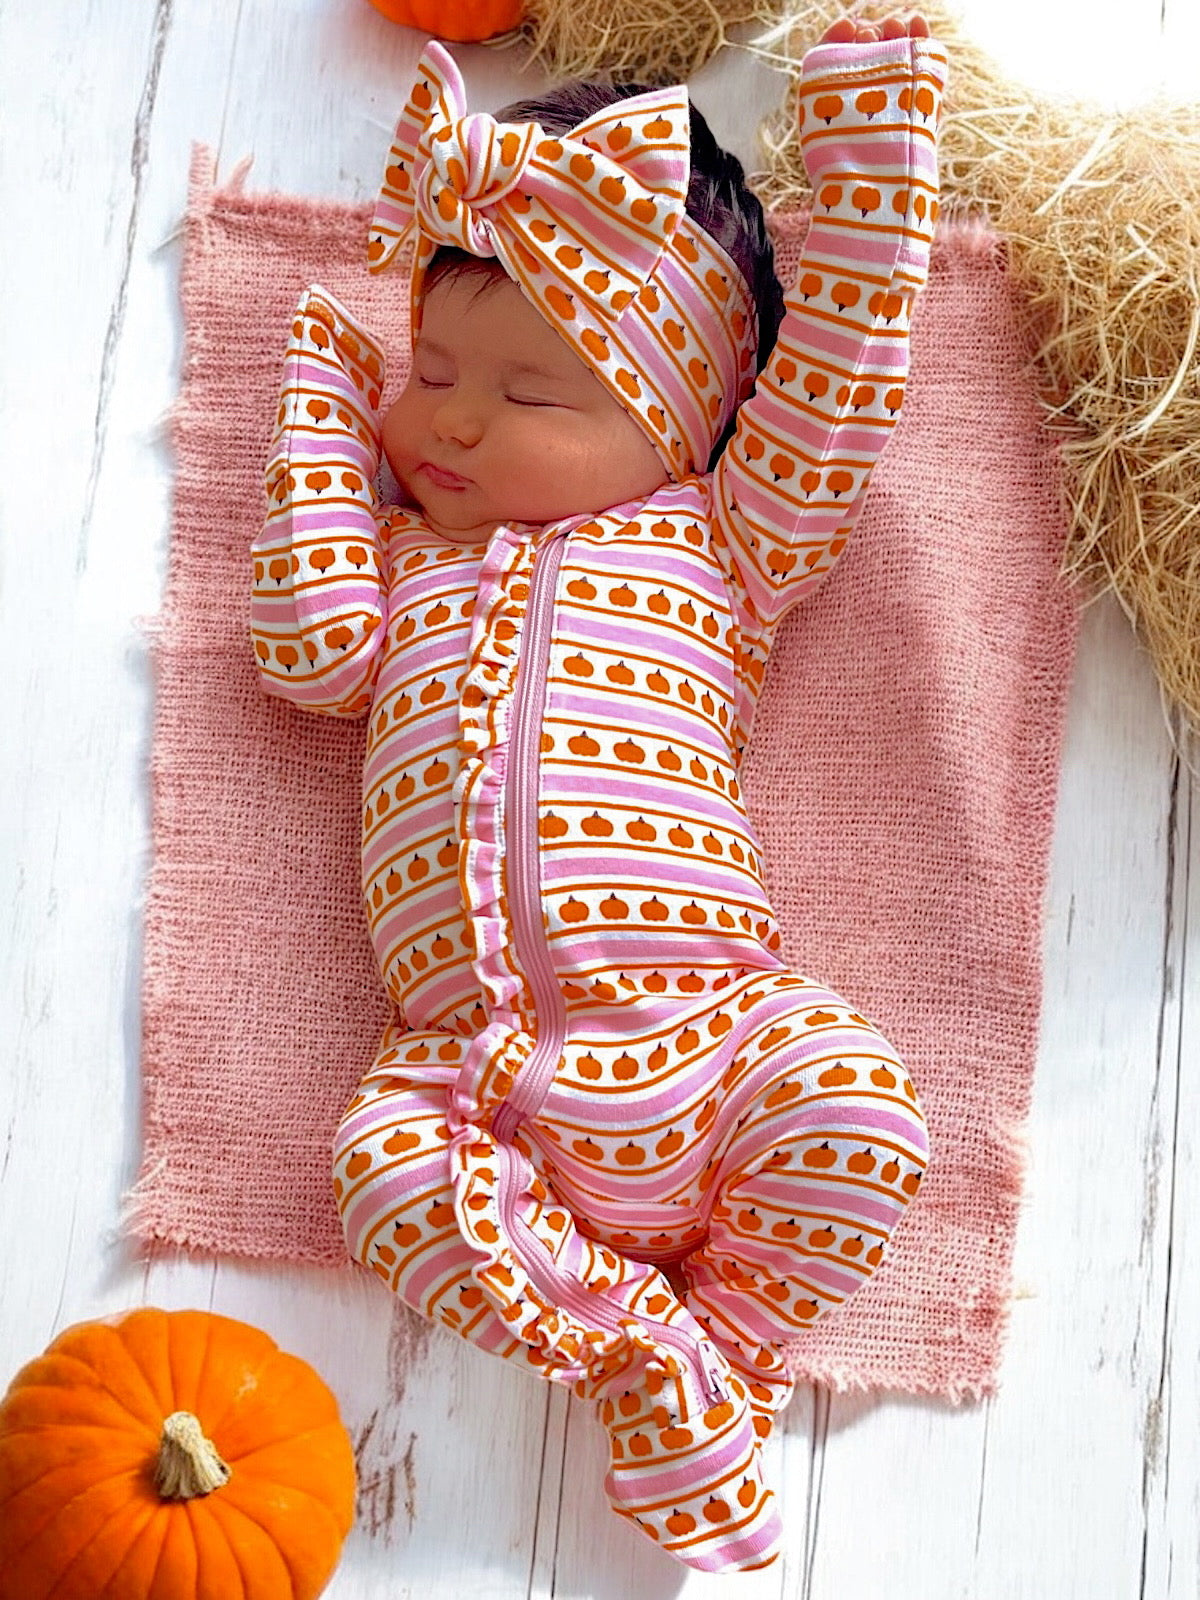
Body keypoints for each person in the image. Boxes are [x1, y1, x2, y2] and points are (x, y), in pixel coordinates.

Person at [252, 13, 945, 1572]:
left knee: (856, 1101)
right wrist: (318, 395)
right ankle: (657, 1358)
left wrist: (870, 119)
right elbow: (303, 650)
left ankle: (736, 1339)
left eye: (534, 394)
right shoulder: (404, 575)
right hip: (474, 1077)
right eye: (428, 371)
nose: (454, 421)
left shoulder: (725, 545)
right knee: (380, 1180)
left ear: (686, 420)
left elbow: (839, 367)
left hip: (708, 1028)